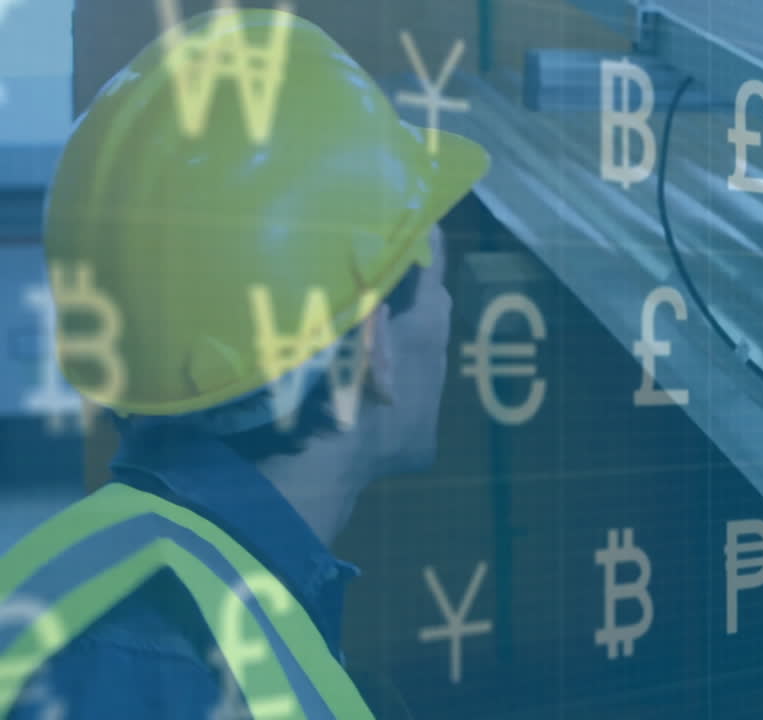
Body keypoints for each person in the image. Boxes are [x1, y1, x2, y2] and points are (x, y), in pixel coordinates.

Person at [0, 7, 487, 718]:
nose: (449, 314)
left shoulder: (91, 575)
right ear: (375, 347)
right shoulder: (189, 678)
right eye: (441, 277)